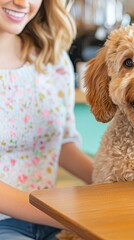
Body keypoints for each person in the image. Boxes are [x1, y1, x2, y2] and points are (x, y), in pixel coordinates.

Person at [0, 0, 94, 239]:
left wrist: (115, 182)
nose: (22, 3)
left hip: (51, 217)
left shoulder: (52, 59)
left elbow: (60, 144)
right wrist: (67, 214)